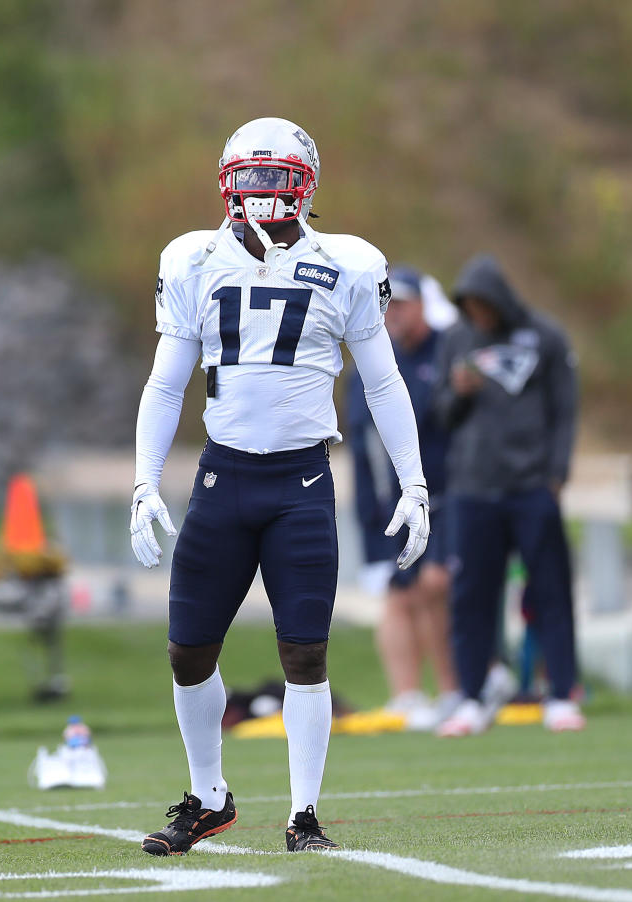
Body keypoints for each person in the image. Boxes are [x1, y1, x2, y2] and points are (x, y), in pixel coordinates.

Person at [130, 117, 429, 855]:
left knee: (305, 652)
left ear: (308, 184)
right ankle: (208, 796)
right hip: (221, 475)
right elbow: (166, 384)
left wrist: (414, 481)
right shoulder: (193, 259)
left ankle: (303, 816)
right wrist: (144, 481)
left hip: (300, 480)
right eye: (250, 176)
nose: (262, 191)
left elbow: (383, 382)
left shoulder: (350, 264)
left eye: (277, 176)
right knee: (187, 650)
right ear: (226, 181)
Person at [432, 253, 583, 736]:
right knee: (471, 596)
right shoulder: (457, 338)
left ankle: (561, 693)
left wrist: (556, 475)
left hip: (531, 487)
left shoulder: (545, 336)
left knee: (550, 591)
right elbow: (439, 414)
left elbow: (565, 410)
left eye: (484, 304)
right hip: (472, 489)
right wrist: (459, 392)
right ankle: (473, 696)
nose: (478, 314)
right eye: (469, 306)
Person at [347, 267, 460, 730]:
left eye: (404, 303)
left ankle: (454, 689)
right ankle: (407, 695)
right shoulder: (373, 360)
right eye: (389, 303)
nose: (395, 313)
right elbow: (364, 442)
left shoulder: (448, 351)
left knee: (435, 588)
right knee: (399, 595)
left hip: (447, 495)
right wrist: (370, 507)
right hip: (387, 500)